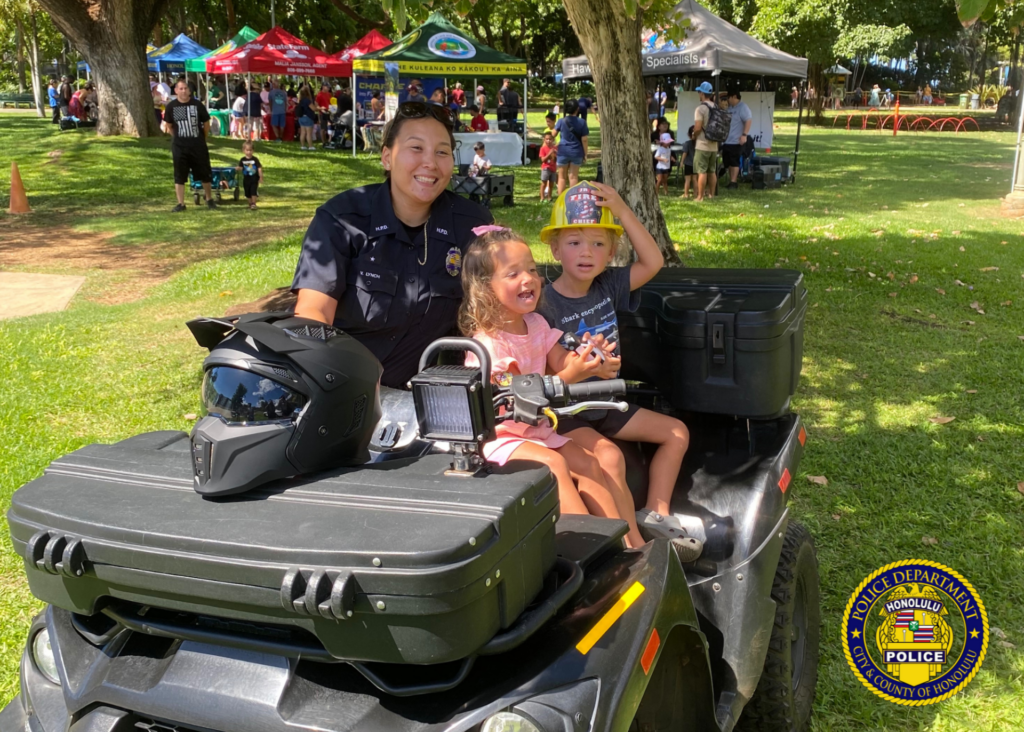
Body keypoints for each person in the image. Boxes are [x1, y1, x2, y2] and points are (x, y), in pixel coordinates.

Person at [458, 226, 645, 549]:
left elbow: (561, 361)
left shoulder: (536, 323)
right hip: (501, 438)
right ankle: (586, 546)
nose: (528, 278)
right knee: (556, 464)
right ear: (486, 289)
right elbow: (520, 395)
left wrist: (590, 359)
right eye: (513, 273)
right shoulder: (489, 344)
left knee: (589, 462)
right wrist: (570, 375)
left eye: (531, 269)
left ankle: (628, 543)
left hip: (538, 431)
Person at [536, 181, 694, 558]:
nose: (586, 252)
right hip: (569, 414)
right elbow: (548, 368)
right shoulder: (544, 302)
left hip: (609, 405)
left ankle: (656, 514)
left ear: (611, 251)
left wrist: (623, 211)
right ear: (555, 248)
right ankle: (627, 545)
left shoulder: (608, 285)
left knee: (676, 432)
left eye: (599, 243)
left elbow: (653, 262)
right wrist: (587, 369)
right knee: (609, 457)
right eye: (574, 243)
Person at [291, 101, 493, 389]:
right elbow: (313, 314)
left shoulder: (472, 224)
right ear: (387, 157)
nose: (431, 163)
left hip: (431, 400)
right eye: (416, 148)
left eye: (442, 152)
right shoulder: (341, 220)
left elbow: (495, 307)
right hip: (338, 386)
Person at [161, 78, 216, 213]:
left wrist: (202, 137)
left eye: (186, 88)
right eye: (181, 89)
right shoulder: (171, 107)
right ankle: (181, 203)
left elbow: (206, 123)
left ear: (189, 90)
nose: (184, 91)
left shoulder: (197, 105)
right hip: (180, 146)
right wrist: (176, 137)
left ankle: (209, 199)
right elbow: (169, 125)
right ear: (176, 91)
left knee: (204, 172)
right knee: (179, 175)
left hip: (198, 145)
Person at [554, 99, 589, 195]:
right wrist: (585, 154)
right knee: (573, 177)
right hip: (576, 152)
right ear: (578, 109)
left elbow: (553, 133)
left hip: (563, 152)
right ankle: (572, 198)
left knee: (561, 177)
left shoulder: (561, 121)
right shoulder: (582, 122)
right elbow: (584, 139)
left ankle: (560, 200)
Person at [692, 80, 719, 202]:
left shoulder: (700, 108)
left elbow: (698, 127)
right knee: (712, 171)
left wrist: (694, 135)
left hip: (702, 144)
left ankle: (700, 197)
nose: (698, 94)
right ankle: (711, 195)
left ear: (702, 93)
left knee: (701, 171)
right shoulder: (716, 107)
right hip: (714, 145)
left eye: (699, 92)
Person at [722, 90, 752, 190]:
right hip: (727, 140)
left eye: (729, 98)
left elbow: (748, 120)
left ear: (734, 96)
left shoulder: (743, 107)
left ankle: (734, 182)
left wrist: (744, 134)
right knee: (728, 161)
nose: (728, 100)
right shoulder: (729, 107)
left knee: (734, 161)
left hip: (736, 140)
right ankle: (731, 180)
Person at [237, 140, 264, 210]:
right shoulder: (242, 160)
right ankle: (250, 203)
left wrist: (261, 176)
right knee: (247, 192)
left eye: (250, 150)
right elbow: (241, 167)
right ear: (243, 150)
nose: (249, 152)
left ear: (253, 151)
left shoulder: (255, 159)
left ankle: (253, 203)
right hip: (246, 179)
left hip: (254, 179)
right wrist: (238, 168)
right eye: (247, 150)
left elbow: (259, 168)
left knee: (253, 191)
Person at [296, 85, 320, 150]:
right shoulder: (307, 100)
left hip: (301, 118)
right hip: (308, 117)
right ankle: (310, 146)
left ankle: (303, 146)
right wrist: (319, 108)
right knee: (309, 133)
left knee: (303, 132)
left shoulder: (300, 100)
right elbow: (313, 109)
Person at [539, 131, 557, 202]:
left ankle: (549, 197)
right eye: (546, 139)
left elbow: (556, 159)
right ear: (544, 140)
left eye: (550, 139)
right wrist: (549, 154)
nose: (548, 141)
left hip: (553, 168)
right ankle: (542, 197)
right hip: (546, 168)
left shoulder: (555, 148)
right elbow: (543, 159)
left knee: (551, 184)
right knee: (544, 183)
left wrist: (555, 155)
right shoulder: (543, 148)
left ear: (553, 140)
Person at [679, 125, 695, 199]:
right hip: (696, 164)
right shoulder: (699, 144)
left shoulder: (687, 143)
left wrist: (682, 162)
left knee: (687, 180)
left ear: (688, 134)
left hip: (688, 164)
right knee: (695, 180)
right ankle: (696, 193)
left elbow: (684, 153)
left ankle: (686, 194)